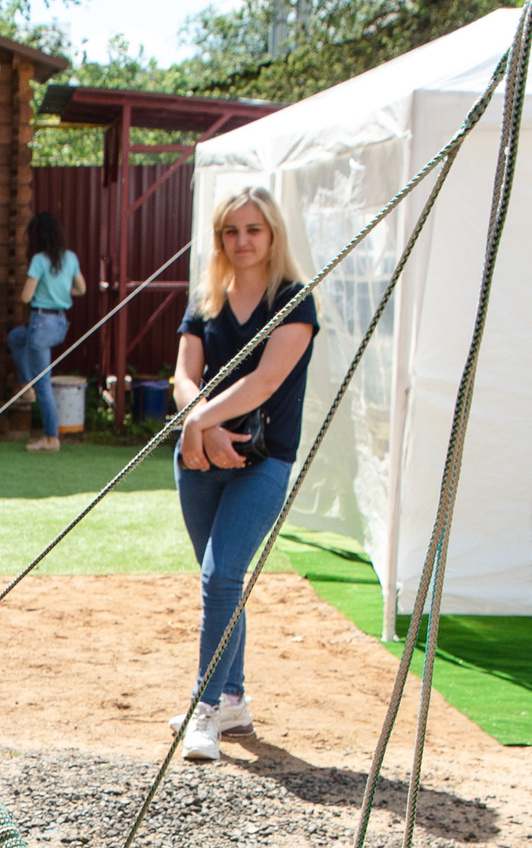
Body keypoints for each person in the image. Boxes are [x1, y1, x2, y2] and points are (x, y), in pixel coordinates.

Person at [171, 185, 317, 764]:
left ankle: (204, 711)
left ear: (272, 233)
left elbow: (264, 383)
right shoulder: (206, 299)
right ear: (219, 238)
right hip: (200, 461)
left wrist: (198, 423)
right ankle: (232, 698)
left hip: (263, 462)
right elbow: (184, 375)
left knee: (221, 577)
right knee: (223, 582)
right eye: (232, 231)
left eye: (253, 229)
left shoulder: (294, 301)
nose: (242, 240)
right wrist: (200, 430)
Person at [12, 211, 82, 451]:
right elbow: (80, 289)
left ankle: (51, 438)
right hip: (59, 323)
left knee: (44, 384)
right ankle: (25, 385)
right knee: (15, 338)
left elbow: (26, 296)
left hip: (41, 322)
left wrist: (44, 291)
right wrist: (60, 293)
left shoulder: (39, 260)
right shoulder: (70, 258)